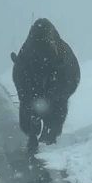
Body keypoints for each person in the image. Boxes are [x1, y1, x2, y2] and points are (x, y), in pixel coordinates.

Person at [11, 18, 80, 152]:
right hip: (33, 87)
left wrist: (50, 97)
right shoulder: (24, 59)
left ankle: (50, 133)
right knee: (27, 118)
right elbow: (19, 78)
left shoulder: (62, 59)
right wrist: (25, 99)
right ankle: (34, 129)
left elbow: (67, 82)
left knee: (57, 107)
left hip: (55, 89)